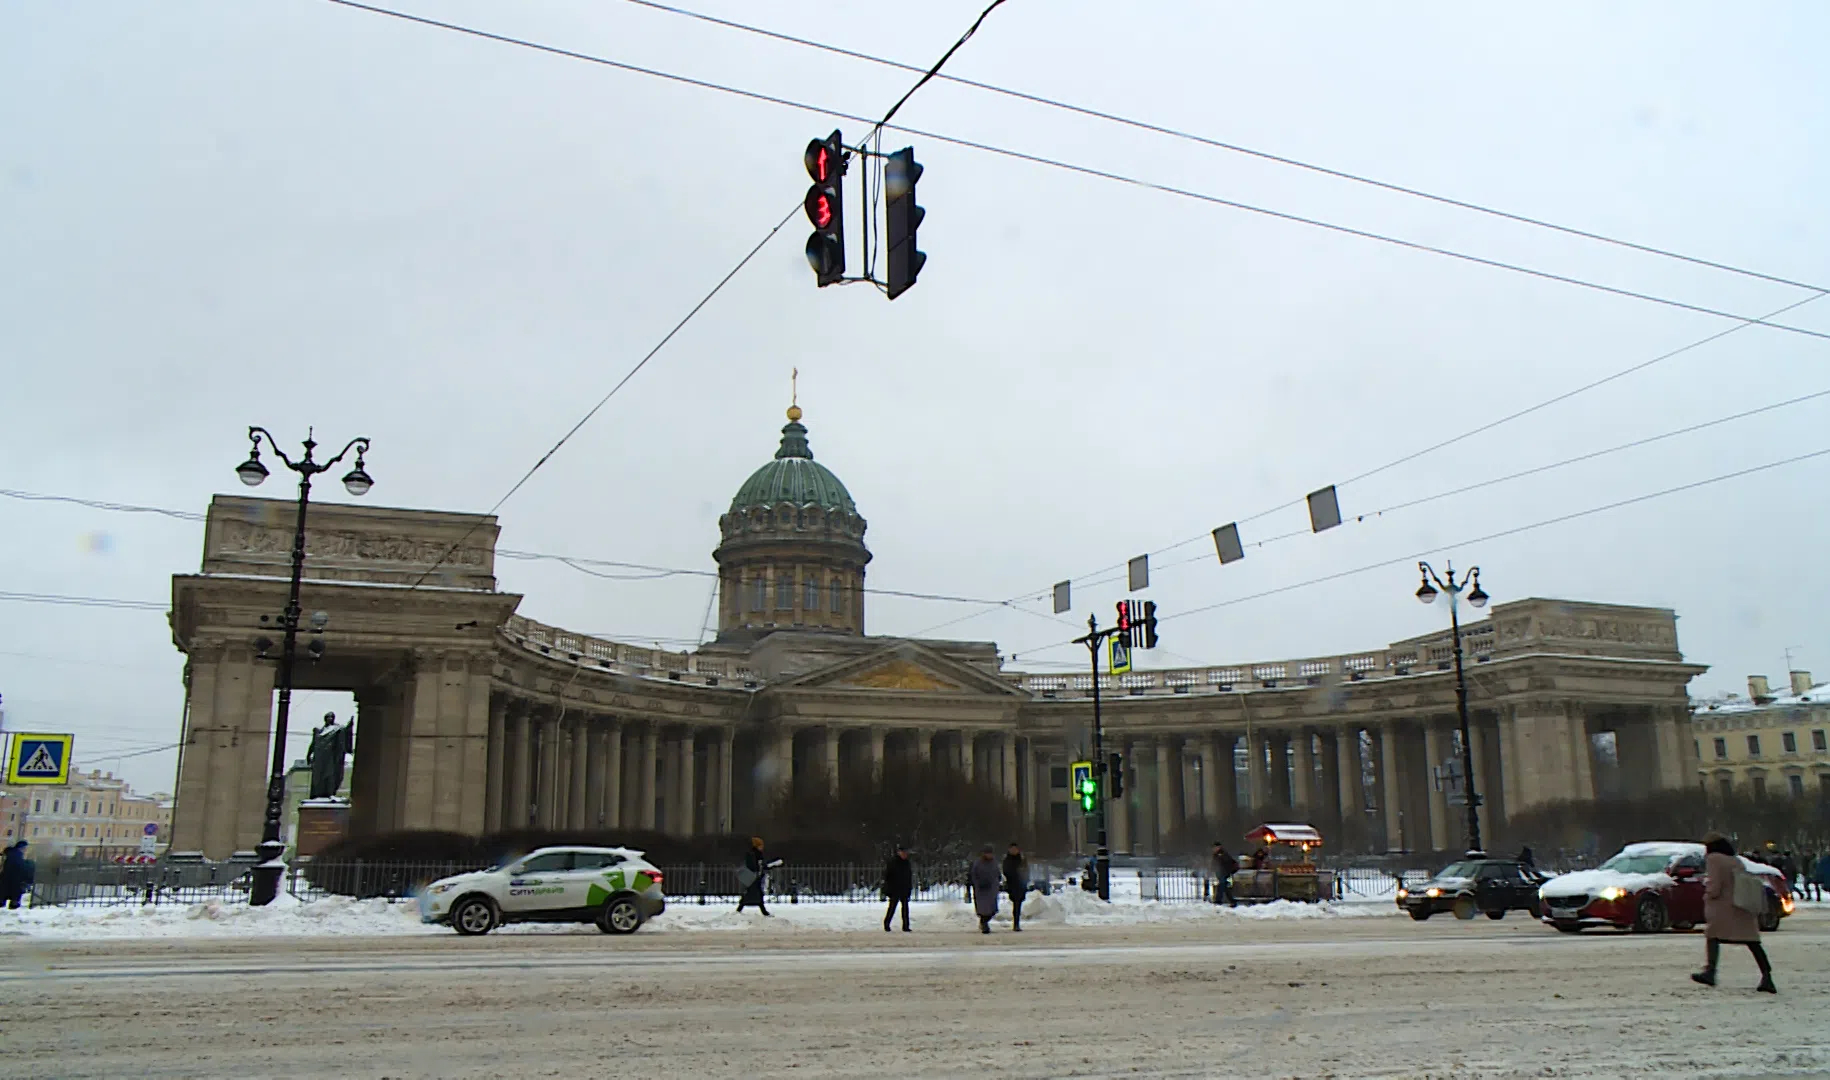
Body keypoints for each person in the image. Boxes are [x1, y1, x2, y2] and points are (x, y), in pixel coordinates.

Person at [1692, 833, 1776, 994]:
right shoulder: (1735, 860)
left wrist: (1708, 893)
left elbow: (1715, 886)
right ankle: (1767, 976)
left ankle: (1710, 971)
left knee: (1713, 936)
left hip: (1723, 907)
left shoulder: (1714, 859)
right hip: (1741, 906)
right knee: (1752, 942)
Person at [736, 836, 774, 917]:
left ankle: (740, 909)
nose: (762, 847)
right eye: (760, 846)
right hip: (754, 877)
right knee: (755, 893)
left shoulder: (756, 854)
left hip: (755, 877)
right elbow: (754, 865)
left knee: (754, 893)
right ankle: (763, 911)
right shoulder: (754, 854)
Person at [882, 843, 914, 932]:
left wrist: (909, 888)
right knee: (892, 907)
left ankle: (906, 926)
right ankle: (886, 923)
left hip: (904, 888)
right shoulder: (893, 862)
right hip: (895, 888)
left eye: (905, 853)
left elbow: (908, 876)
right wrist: (888, 888)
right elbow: (888, 876)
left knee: (905, 908)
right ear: (899, 853)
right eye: (903, 853)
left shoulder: (907, 863)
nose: (905, 855)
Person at [969, 847, 1001, 934]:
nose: (989, 855)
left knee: (992, 909)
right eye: (987, 853)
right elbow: (974, 875)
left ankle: (984, 922)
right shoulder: (978, 863)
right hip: (982, 889)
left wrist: (998, 881)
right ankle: (984, 924)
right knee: (983, 909)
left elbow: (997, 873)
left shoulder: (994, 863)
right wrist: (978, 883)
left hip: (992, 889)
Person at [1001, 843, 1029, 932]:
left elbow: (1026, 869)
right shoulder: (1007, 860)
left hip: (1021, 884)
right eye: (1012, 849)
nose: (1014, 851)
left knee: (1018, 903)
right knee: (1016, 902)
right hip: (1012, 883)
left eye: (1015, 849)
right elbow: (1005, 870)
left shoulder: (1022, 859)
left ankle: (1017, 923)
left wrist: (1025, 878)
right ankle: (1016, 923)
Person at [1, 840, 31, 910]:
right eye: (25, 848)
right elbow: (20, 867)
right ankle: (13, 904)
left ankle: (4, 902)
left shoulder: (10, 854)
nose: (25, 850)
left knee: (3, 892)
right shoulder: (17, 855)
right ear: (21, 848)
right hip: (14, 879)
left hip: (5, 878)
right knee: (14, 893)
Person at [1211, 842, 1239, 907]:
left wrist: (1226, 871)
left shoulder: (1222, 854)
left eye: (1215, 847)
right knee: (1225, 888)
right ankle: (1232, 901)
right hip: (1221, 873)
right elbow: (1215, 864)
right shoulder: (1217, 854)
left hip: (1223, 873)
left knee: (1221, 887)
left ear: (1219, 847)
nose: (1214, 849)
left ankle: (1218, 901)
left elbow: (1227, 863)